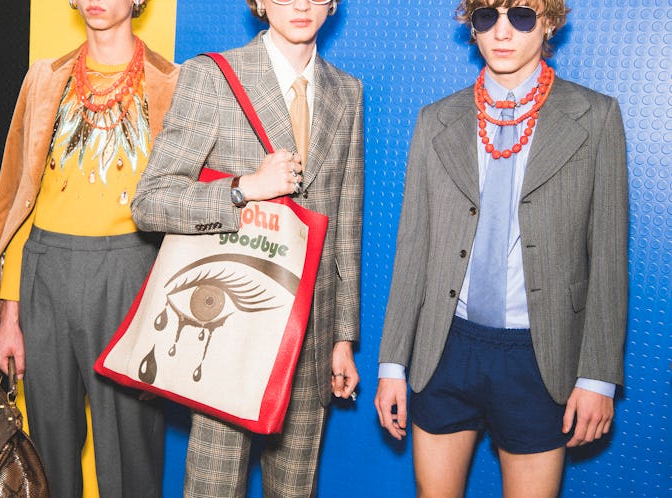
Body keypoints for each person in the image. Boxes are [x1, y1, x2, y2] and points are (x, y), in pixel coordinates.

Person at [374, 0, 627, 496]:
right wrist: (391, 366)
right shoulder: (435, 120)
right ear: (472, 28)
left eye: (522, 15)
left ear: (550, 21)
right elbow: (412, 252)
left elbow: (610, 256)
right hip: (445, 346)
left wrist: (597, 378)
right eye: (487, 16)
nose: (503, 31)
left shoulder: (595, 116)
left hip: (540, 353)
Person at [131, 0, 363, 496]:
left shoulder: (348, 92)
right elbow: (150, 203)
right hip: (227, 326)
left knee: (295, 488)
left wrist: (343, 336)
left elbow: (346, 224)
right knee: (214, 486)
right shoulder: (214, 77)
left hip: (311, 333)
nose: (300, 5)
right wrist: (243, 188)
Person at [0, 1, 179, 496]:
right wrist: (10, 318)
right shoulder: (44, 79)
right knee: (47, 455)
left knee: (130, 456)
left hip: (131, 271)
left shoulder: (173, 83)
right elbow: (17, 202)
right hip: (44, 272)